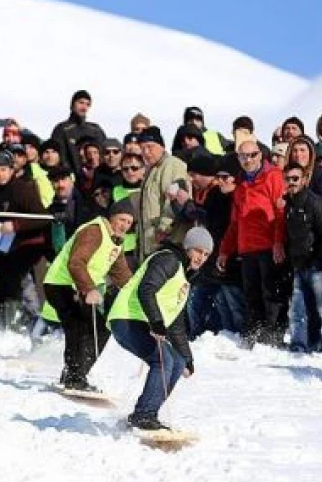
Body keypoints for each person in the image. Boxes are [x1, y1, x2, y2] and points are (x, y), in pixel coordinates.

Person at [108, 227, 213, 431]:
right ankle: (144, 415)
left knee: (176, 361)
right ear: (188, 248)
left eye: (206, 254)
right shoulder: (169, 259)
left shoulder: (184, 276)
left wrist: (187, 357)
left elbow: (175, 323)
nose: (201, 257)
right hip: (127, 318)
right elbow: (146, 289)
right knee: (164, 359)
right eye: (198, 251)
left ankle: (148, 413)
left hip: (145, 322)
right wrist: (156, 322)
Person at [43, 200, 134, 390]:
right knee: (77, 325)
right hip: (61, 284)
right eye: (122, 219)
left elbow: (122, 275)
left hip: (80, 288)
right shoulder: (95, 231)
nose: (124, 226)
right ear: (112, 217)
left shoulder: (116, 241)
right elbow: (76, 262)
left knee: (101, 328)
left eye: (129, 222)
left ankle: (76, 373)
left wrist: (140, 297)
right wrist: (89, 288)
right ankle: (74, 376)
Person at [218, 140, 288, 347]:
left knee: (271, 292)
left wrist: (278, 242)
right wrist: (224, 250)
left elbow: (280, 212)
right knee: (251, 294)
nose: (248, 160)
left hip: (268, 245)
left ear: (260, 155)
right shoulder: (240, 185)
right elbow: (234, 222)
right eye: (243, 156)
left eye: (252, 155)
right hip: (246, 247)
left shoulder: (273, 176)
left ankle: (273, 335)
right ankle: (254, 334)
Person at [176, 154, 244, 337]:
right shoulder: (215, 194)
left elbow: (215, 221)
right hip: (212, 260)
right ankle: (199, 339)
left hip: (233, 261)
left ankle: (238, 342)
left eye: (224, 177)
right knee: (198, 303)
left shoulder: (240, 196)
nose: (219, 181)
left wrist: (188, 205)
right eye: (218, 176)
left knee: (232, 308)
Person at [0, 150, 49, 327]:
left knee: (13, 274)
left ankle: (24, 317)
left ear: (11, 170)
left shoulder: (22, 189)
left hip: (28, 244)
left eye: (3, 170)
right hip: (2, 245)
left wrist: (16, 225)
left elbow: (42, 218)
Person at [283, 162, 322, 353]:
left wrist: (319, 259)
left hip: (317, 264)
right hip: (297, 263)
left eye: (295, 178)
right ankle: (298, 343)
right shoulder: (287, 203)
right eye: (288, 179)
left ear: (305, 179)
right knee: (297, 309)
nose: (292, 182)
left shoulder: (315, 202)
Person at [136, 126, 189, 261]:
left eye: (150, 147)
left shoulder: (173, 165)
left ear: (161, 146)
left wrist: (164, 228)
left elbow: (175, 200)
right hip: (150, 243)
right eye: (142, 149)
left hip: (166, 242)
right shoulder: (151, 170)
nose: (146, 153)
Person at [49, 90, 107, 172]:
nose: (84, 107)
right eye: (81, 102)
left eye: (87, 104)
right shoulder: (62, 129)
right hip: (70, 179)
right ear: (72, 104)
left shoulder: (95, 130)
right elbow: (57, 157)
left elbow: (105, 154)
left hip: (95, 179)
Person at [288, 136, 322, 203]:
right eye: (295, 151)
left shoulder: (321, 174)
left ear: (311, 153)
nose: (298, 155)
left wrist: (302, 191)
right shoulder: (286, 174)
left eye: (302, 150)